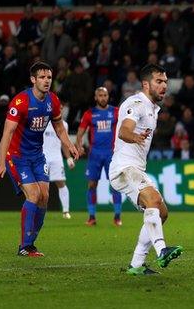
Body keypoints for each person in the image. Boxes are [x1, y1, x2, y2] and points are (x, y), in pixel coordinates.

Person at [0, 61, 79, 257]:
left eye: (49, 77)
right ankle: (25, 246)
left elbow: (59, 128)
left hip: (38, 156)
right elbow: (7, 133)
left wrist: (70, 145)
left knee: (45, 197)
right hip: (17, 156)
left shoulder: (53, 101)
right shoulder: (21, 102)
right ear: (33, 79)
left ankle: (31, 242)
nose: (47, 80)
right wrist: (0, 164)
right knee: (33, 195)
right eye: (42, 77)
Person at [108, 64, 183, 275]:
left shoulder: (153, 108)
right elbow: (124, 131)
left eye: (166, 82)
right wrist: (135, 137)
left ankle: (137, 264)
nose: (164, 86)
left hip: (136, 168)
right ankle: (162, 250)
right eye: (159, 82)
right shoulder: (137, 103)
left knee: (161, 212)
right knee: (152, 200)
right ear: (146, 84)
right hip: (124, 167)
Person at [76, 87, 123, 226]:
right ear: (95, 98)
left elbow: (126, 127)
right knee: (91, 185)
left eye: (105, 95)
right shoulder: (90, 114)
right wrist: (79, 146)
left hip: (111, 153)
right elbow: (80, 132)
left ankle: (117, 217)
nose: (103, 98)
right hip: (94, 154)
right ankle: (92, 217)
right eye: (100, 95)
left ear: (108, 96)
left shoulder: (116, 112)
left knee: (115, 185)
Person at [42, 117, 75, 219]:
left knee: (61, 183)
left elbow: (64, 143)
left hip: (57, 158)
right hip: (42, 157)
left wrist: (69, 158)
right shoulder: (42, 122)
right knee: (41, 185)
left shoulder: (64, 124)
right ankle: (40, 211)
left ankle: (66, 211)